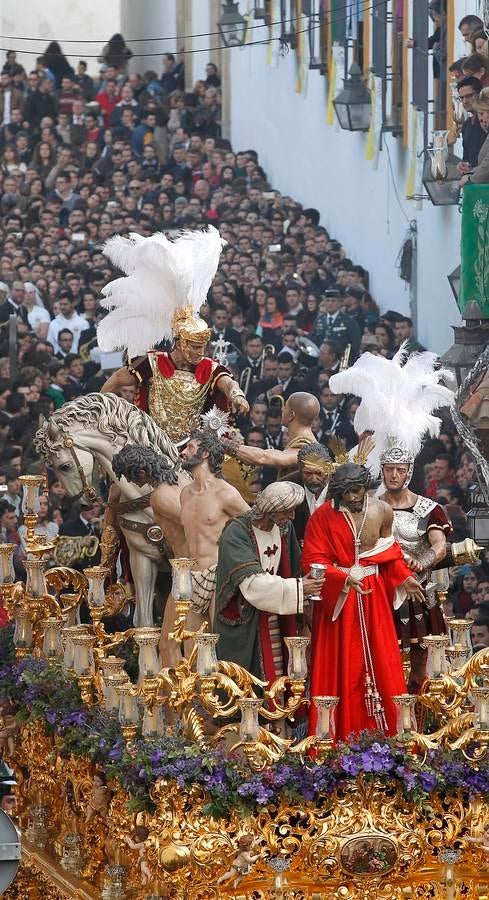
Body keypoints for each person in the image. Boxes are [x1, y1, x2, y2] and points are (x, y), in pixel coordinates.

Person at [302, 463, 424, 740]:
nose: (354, 497)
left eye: (358, 491)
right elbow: (312, 560)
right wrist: (342, 579)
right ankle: (336, 736)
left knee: (381, 655)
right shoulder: (322, 517)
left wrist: (403, 578)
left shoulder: (382, 510)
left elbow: (388, 552)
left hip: (373, 595)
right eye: (348, 493)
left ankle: (389, 733)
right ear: (338, 492)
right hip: (339, 600)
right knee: (341, 662)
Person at [99, 228, 249, 445]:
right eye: (194, 346)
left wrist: (237, 395)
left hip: (193, 451)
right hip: (152, 447)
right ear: (179, 342)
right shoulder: (155, 362)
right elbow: (117, 380)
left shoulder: (208, 368)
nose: (200, 352)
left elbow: (227, 383)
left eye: (202, 346)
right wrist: (99, 411)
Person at [214, 481, 324, 681]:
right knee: (249, 682)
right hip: (246, 620)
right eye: (286, 511)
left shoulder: (284, 527)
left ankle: (279, 711)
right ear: (269, 510)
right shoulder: (237, 533)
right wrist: (300, 588)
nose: (291, 517)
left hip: (279, 615)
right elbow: (252, 584)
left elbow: (293, 567)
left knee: (281, 673)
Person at [380, 442, 451, 691]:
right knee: (382, 662)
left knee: (423, 666)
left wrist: (421, 563)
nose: (394, 475)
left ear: (409, 471)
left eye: (399, 469)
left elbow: (439, 546)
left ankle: (423, 720)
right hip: (383, 592)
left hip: (420, 593)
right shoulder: (373, 507)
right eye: (389, 469)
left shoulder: (428, 508)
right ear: (382, 470)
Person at [179, 427, 249, 620]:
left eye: (190, 447)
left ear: (206, 453)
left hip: (219, 577)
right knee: (192, 645)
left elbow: (254, 527)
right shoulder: (184, 493)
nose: (183, 452)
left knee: (218, 644)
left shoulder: (226, 493)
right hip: (190, 579)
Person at [225, 392, 320, 472]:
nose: (282, 409)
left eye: (285, 406)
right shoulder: (309, 444)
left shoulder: (307, 449)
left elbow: (263, 457)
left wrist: (222, 442)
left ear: (291, 415)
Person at [284, 442, 333, 544]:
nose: (313, 479)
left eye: (319, 473)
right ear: (299, 469)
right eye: (308, 473)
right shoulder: (286, 487)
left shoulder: (343, 486)